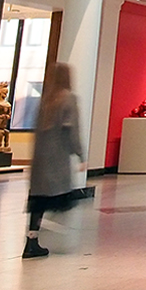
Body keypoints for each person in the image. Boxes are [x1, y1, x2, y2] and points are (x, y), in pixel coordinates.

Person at [23, 63, 86, 259]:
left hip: (41, 159)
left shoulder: (46, 100)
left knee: (38, 202)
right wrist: (79, 153)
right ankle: (34, 242)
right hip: (57, 157)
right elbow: (72, 129)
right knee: (57, 197)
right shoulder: (68, 98)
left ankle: (31, 240)